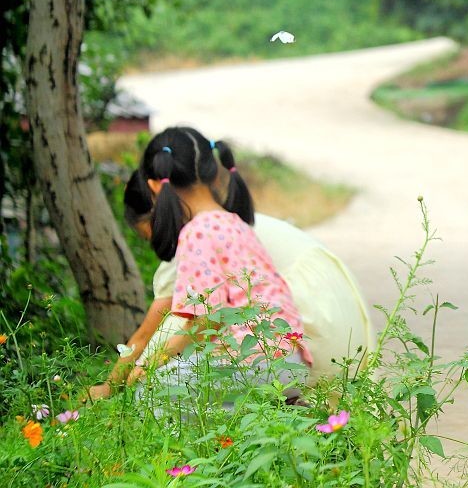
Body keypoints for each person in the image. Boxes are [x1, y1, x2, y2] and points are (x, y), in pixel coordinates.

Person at [90, 145, 372, 399]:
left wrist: (114, 386)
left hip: (308, 322)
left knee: (157, 388)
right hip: (335, 309)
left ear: (158, 210)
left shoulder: (193, 239)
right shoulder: (228, 220)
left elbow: (150, 336)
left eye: (149, 235)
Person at [120, 127, 312, 402]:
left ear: (155, 186)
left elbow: (208, 317)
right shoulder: (236, 223)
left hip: (254, 362)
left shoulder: (196, 232)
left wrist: (154, 361)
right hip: (292, 362)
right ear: (212, 171)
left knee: (148, 392)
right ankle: (279, 409)